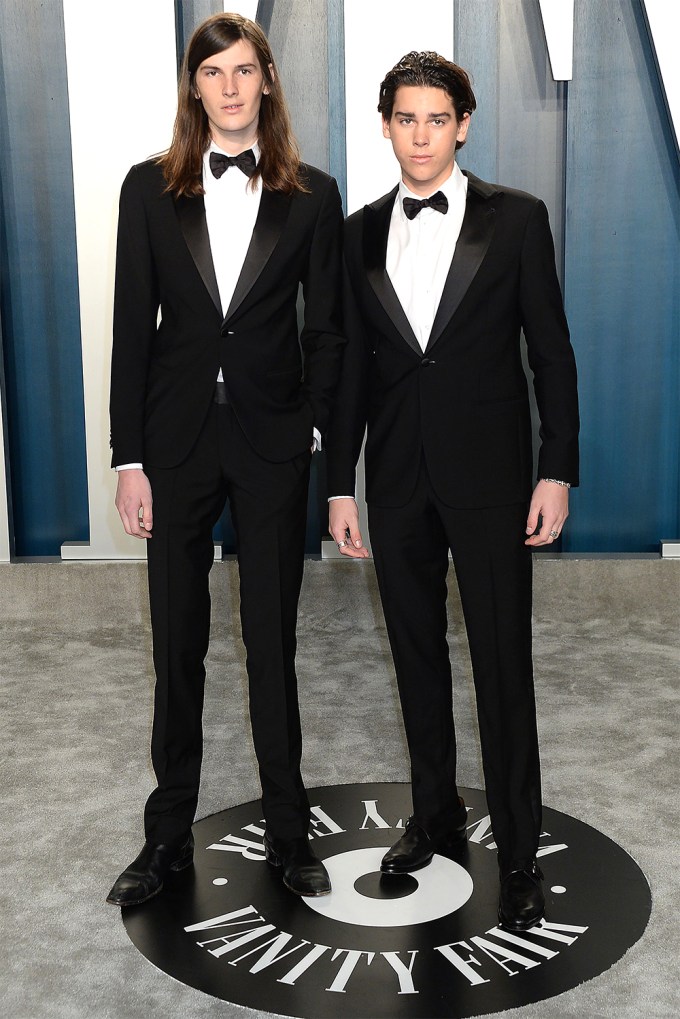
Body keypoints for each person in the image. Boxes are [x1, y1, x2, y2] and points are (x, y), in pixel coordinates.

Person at [327, 51, 579, 931]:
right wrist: (340, 485)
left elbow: (552, 352)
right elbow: (351, 368)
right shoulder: (356, 232)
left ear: (463, 124)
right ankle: (433, 816)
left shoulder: (516, 220)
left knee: (503, 670)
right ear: (387, 125)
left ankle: (517, 850)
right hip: (394, 482)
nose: (422, 134)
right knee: (416, 660)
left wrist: (557, 468)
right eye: (406, 118)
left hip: (494, 482)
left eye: (438, 118)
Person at [107, 12, 344, 906]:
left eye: (246, 70)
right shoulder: (145, 190)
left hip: (274, 446)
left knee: (270, 644)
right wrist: (130, 459)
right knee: (178, 649)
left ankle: (290, 834)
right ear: (195, 87)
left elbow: (325, 330)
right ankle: (166, 838)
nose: (232, 86)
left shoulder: (312, 196)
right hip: (172, 450)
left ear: (268, 80)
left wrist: (315, 429)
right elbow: (134, 332)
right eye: (215, 73)